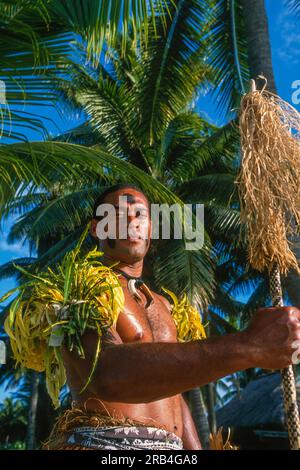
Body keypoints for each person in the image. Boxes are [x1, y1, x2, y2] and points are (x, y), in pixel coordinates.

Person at [47, 184, 300, 451]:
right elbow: (106, 376)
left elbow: (173, 393)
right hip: (108, 446)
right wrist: (249, 346)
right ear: (97, 228)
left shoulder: (164, 305)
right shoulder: (75, 291)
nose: (132, 223)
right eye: (119, 214)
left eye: (141, 215)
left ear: (151, 229)